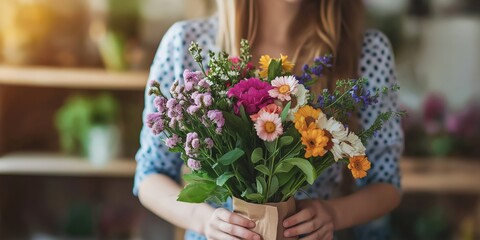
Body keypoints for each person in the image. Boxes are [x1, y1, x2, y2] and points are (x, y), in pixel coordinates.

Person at [134, 0, 403, 239]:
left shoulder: (366, 51)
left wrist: (333, 214)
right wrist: (205, 222)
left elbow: (386, 183)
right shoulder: (187, 43)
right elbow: (150, 175)